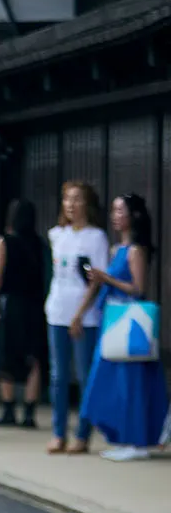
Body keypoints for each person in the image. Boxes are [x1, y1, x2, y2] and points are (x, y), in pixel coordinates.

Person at [80, 194, 168, 462]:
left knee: (130, 383)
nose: (115, 215)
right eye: (114, 210)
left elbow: (138, 289)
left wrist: (106, 278)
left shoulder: (135, 251)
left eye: (120, 210)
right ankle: (123, 436)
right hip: (113, 321)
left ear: (133, 216)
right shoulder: (116, 249)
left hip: (127, 324)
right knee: (109, 383)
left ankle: (138, 440)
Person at [45, 181, 109, 454]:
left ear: (87, 204)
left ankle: (83, 434)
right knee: (58, 375)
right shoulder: (57, 234)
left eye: (77, 199)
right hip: (56, 310)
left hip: (84, 316)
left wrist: (80, 314)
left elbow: (96, 281)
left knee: (84, 375)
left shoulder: (96, 237)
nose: (71, 205)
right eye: (67, 199)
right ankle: (58, 432)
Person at [0, 199, 47, 428]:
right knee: (34, 357)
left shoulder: (4, 241)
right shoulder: (40, 243)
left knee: (5, 356)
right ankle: (29, 412)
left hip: (11, 305)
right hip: (35, 305)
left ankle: (8, 408)